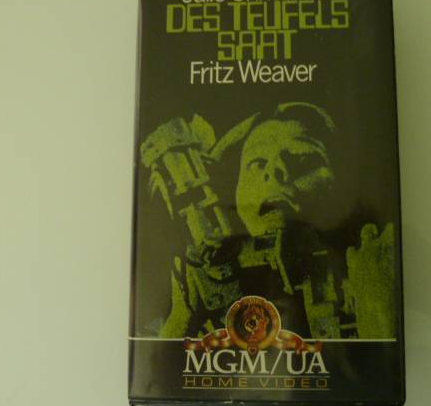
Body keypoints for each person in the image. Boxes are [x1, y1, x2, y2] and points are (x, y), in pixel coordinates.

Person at [142, 103, 396, 339]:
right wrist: (181, 320)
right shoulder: (200, 294)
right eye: (256, 163)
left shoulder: (378, 266)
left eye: (304, 158)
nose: (276, 171)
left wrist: (377, 311)